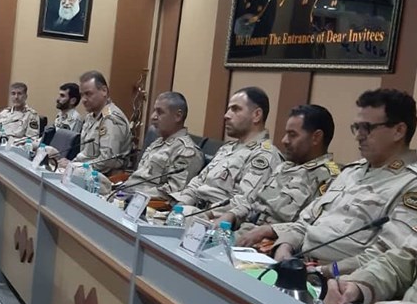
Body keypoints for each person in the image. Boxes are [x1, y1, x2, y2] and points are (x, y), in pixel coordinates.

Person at [273, 89, 417, 276]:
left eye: (367, 128)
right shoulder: (351, 171)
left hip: (342, 281)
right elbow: (305, 222)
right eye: (357, 127)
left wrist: (324, 271)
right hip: (297, 265)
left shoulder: (410, 184)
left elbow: (386, 256)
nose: (358, 136)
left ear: (398, 131)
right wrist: (284, 247)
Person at [215, 104, 340, 247]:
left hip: (272, 246)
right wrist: (232, 214)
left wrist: (269, 230)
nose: (284, 140)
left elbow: (312, 228)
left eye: (293, 135)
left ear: (316, 137)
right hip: (243, 234)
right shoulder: (284, 166)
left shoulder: (329, 179)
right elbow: (252, 201)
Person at [172, 87, 283, 219]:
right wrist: (179, 207)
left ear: (257, 115)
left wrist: (202, 215)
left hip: (216, 221)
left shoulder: (264, 155)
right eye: (229, 109)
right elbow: (197, 182)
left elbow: (245, 202)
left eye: (235, 109)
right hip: (191, 212)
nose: (227, 115)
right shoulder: (227, 148)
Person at [120, 92, 203, 200]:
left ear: (178, 116)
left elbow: (172, 193)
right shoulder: (157, 143)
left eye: (160, 112)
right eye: (154, 111)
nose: (153, 117)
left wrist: (133, 195)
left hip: (143, 202)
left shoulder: (187, 151)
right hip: (124, 193)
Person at [61, 71, 131, 175]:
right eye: (82, 95)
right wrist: (71, 164)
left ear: (104, 91)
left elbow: (108, 161)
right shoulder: (90, 117)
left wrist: (74, 167)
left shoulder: (111, 119)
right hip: (83, 172)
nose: (84, 100)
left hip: (102, 178)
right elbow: (85, 155)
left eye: (88, 94)